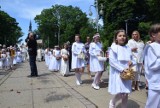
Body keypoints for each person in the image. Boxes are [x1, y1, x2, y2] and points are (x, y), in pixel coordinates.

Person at [108, 29, 136, 108]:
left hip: (127, 73)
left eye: (124, 36)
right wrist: (121, 69)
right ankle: (112, 102)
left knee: (126, 92)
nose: (122, 37)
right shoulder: (113, 48)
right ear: (116, 38)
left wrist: (132, 62)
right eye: (120, 36)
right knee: (121, 92)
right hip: (118, 73)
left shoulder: (128, 48)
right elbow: (112, 62)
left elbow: (133, 59)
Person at [143, 24, 160, 108]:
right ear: (154, 34)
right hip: (155, 82)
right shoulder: (151, 47)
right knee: (152, 104)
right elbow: (152, 65)